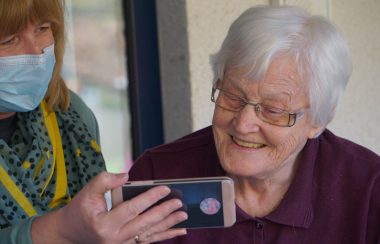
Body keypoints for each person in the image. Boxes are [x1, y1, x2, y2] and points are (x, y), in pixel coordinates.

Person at [128, 5, 380, 244]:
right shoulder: (158, 175)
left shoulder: (369, 189)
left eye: (273, 110)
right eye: (233, 96)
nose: (243, 123)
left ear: (318, 120)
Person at [0, 0, 188, 243]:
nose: (36, 51)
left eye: (43, 29)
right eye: (8, 40)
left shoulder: (69, 113)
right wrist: (61, 230)